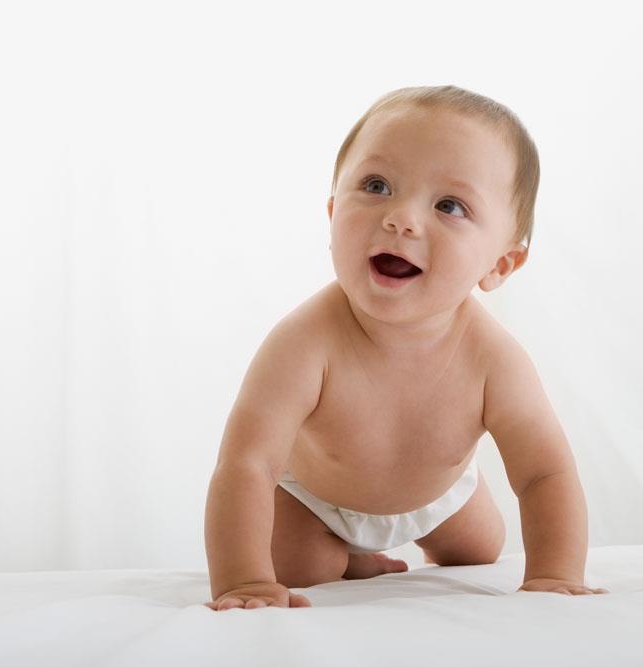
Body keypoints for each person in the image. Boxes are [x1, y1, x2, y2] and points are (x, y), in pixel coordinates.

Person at [204, 85, 607, 610]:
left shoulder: (494, 359)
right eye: (376, 186)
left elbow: (544, 473)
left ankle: (433, 528)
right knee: (302, 568)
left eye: (449, 205)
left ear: (499, 265)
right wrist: (243, 582)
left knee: (481, 549)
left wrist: (555, 573)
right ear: (332, 212)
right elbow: (247, 464)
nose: (402, 218)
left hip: (441, 495)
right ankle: (354, 561)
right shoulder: (303, 344)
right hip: (316, 502)